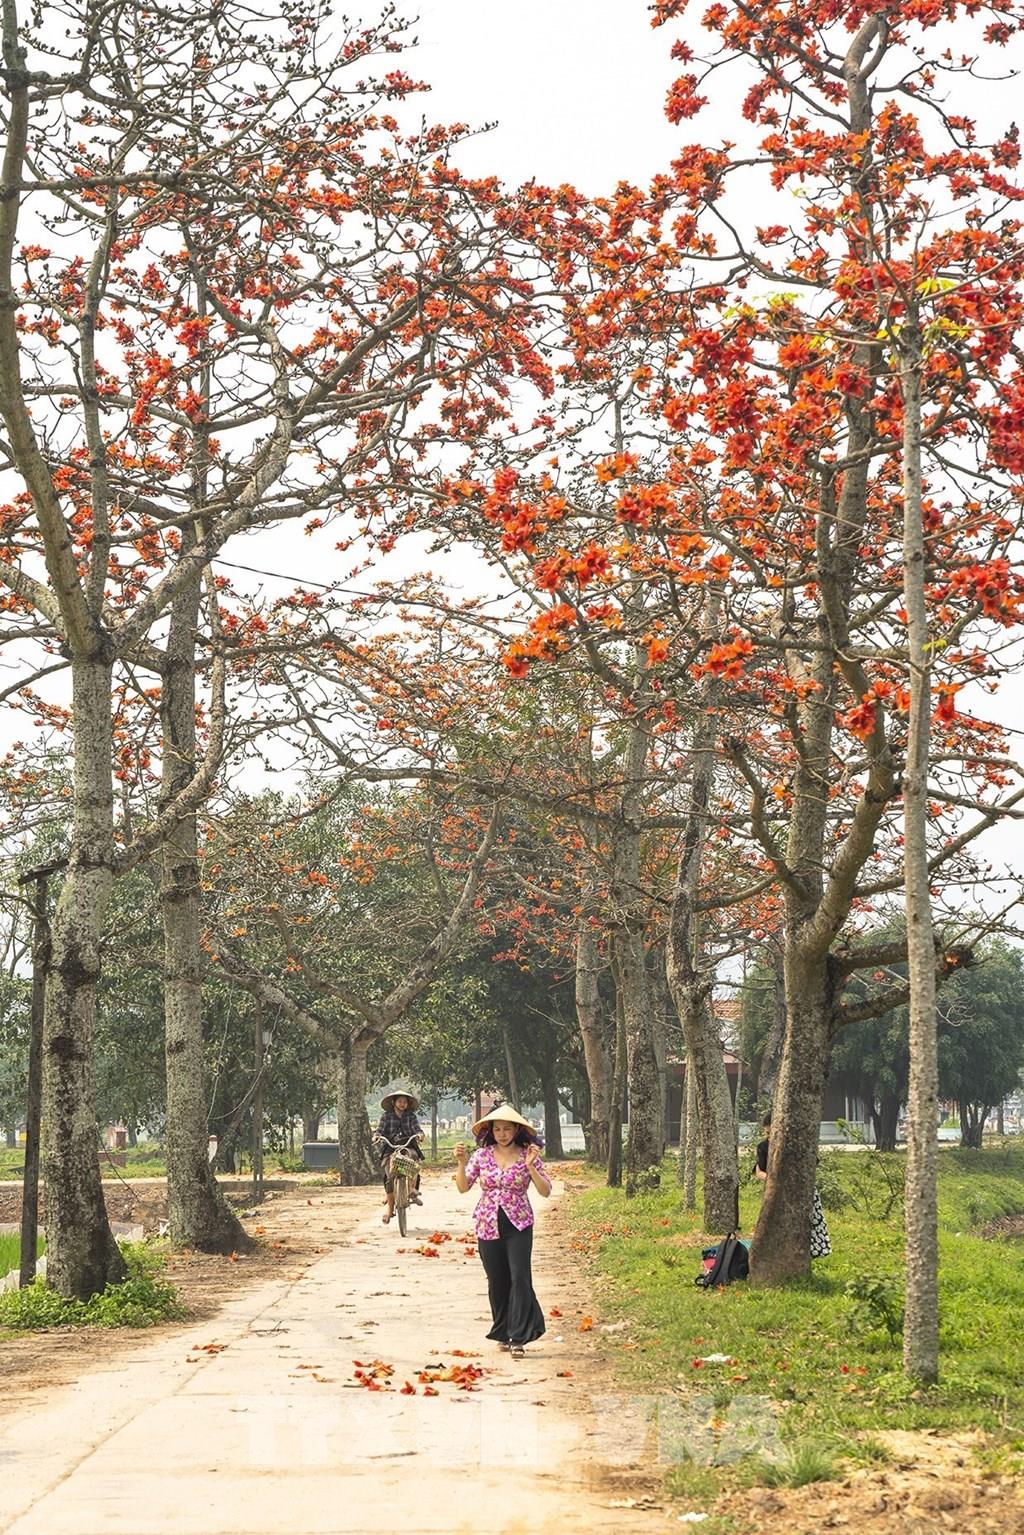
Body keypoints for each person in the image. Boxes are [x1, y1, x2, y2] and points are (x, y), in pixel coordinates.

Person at [454, 1105, 551, 1360]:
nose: (502, 1134)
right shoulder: (482, 1156)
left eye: (507, 1129)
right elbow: (463, 1187)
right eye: (497, 1129)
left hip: (519, 1223)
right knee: (497, 1280)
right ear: (491, 1131)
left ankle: (518, 1337)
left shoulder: (528, 1155)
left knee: (520, 1276)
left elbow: (545, 1191)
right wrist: (461, 1163)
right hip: (487, 1222)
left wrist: (531, 1167)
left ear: (517, 1129)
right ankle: (502, 1330)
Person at [755, 1112, 831, 1258]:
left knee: (808, 1223)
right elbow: (759, 1172)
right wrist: (777, 1181)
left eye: (772, 1133)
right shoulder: (763, 1147)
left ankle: (812, 1251)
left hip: (801, 1189)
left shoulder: (797, 1143)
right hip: (776, 1191)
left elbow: (812, 1164)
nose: (769, 1136)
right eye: (767, 1133)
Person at [373, 1087, 425, 1225]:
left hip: (408, 1144)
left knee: (414, 1158)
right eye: (400, 1101)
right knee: (389, 1176)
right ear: (394, 1102)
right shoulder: (386, 1116)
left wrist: (420, 1134)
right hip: (391, 1146)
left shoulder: (411, 1116)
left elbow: (417, 1129)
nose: (402, 1104)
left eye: (405, 1102)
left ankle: (412, 1189)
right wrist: (377, 1136)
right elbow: (379, 1130)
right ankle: (390, 1209)